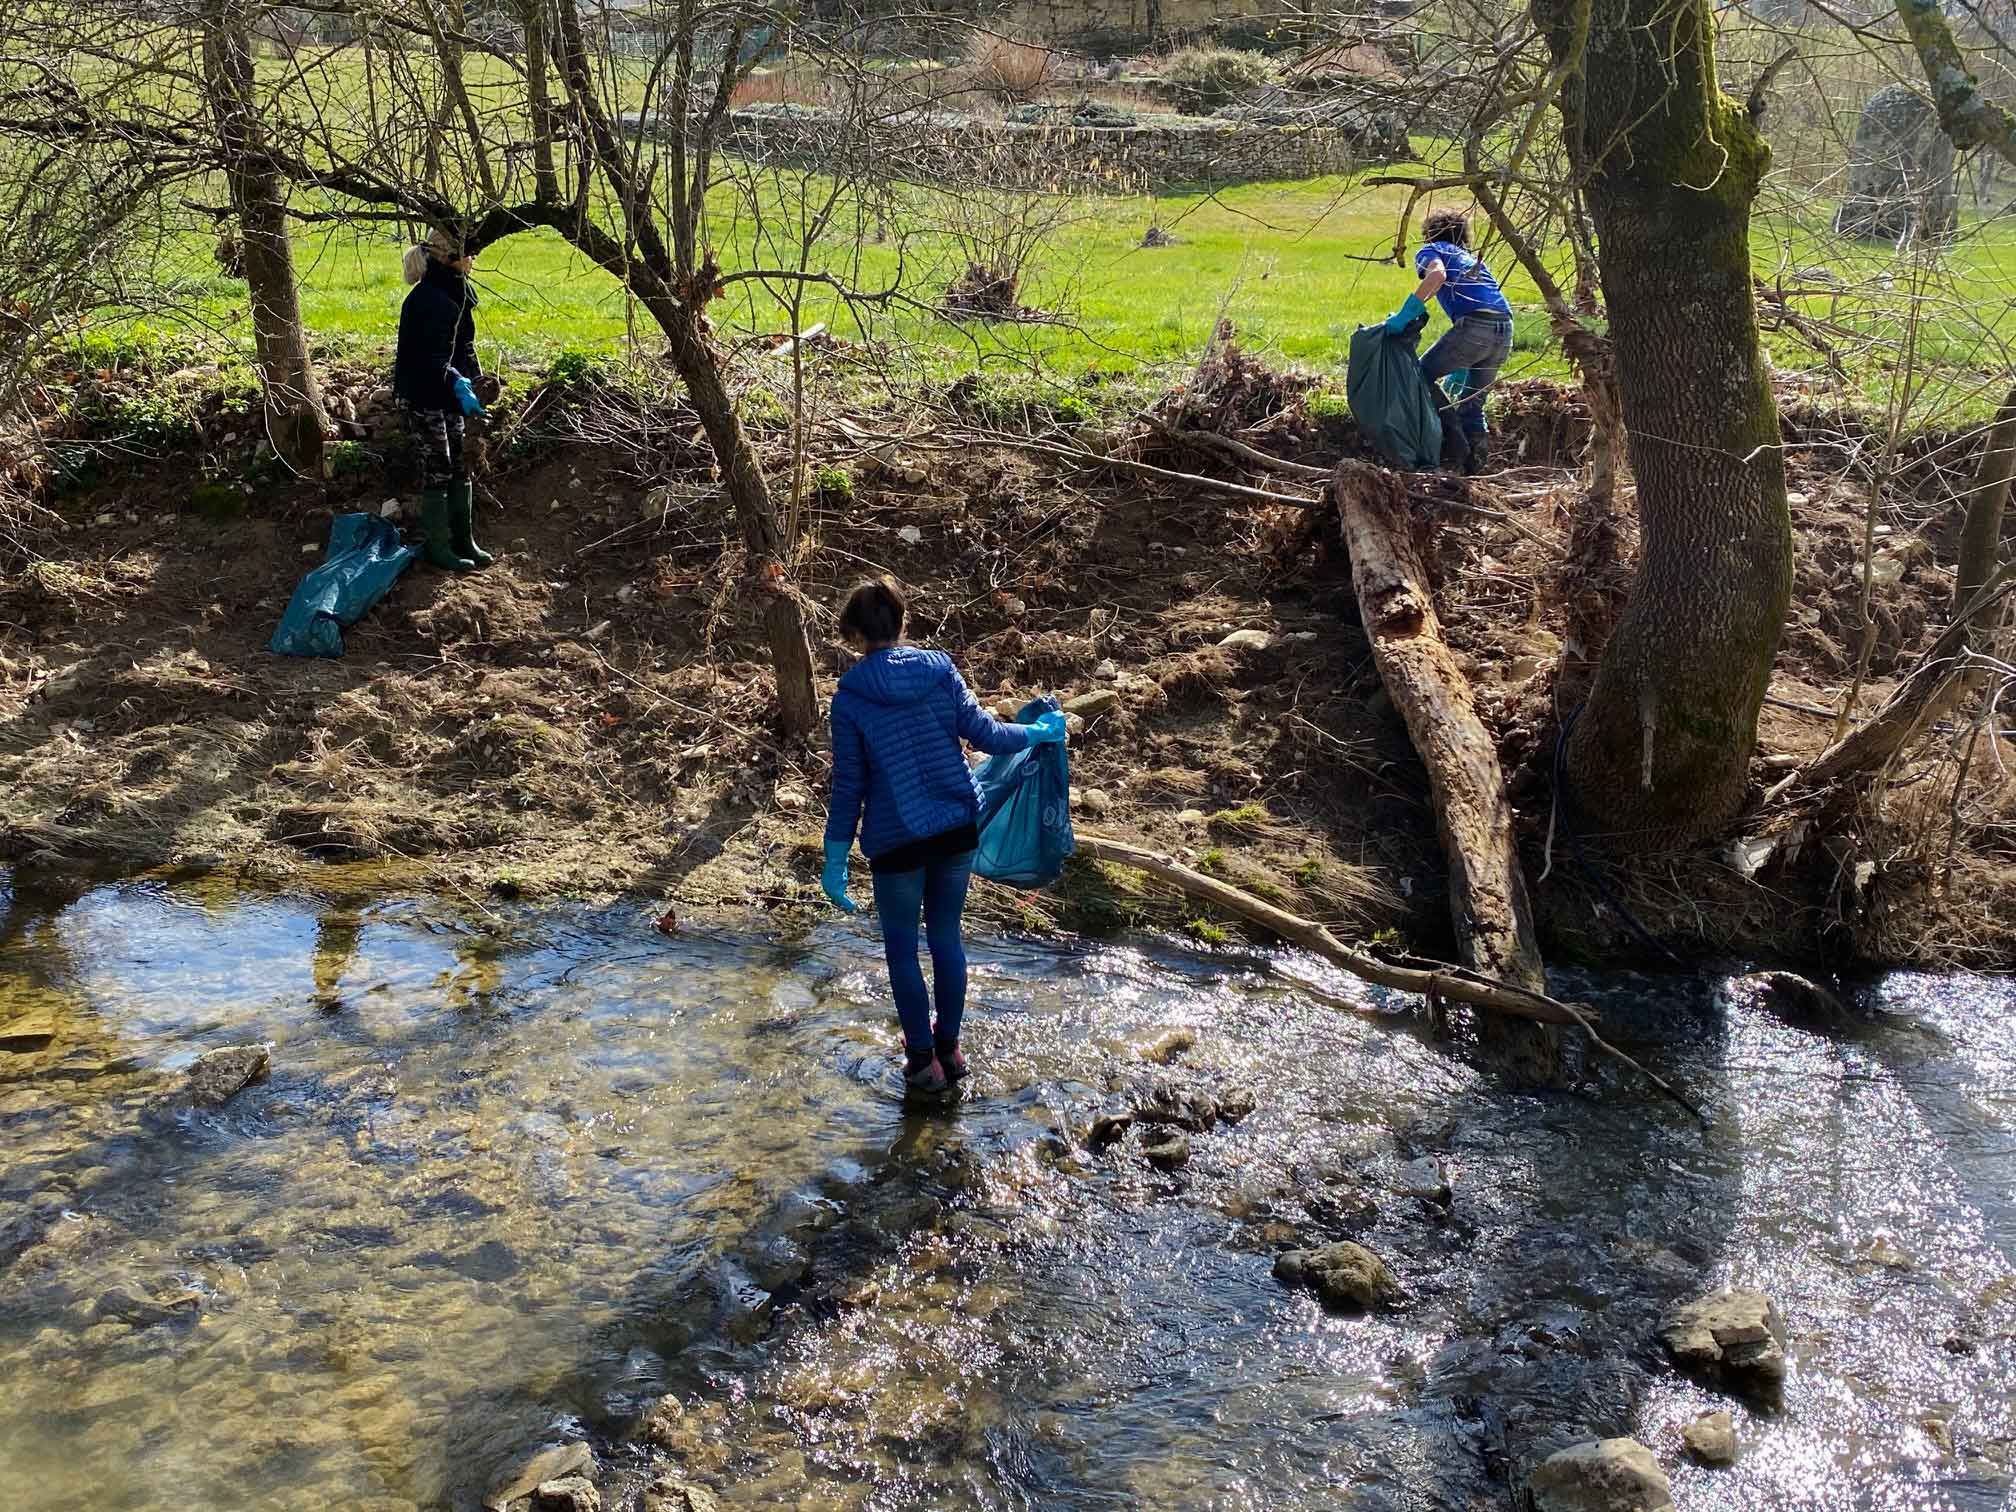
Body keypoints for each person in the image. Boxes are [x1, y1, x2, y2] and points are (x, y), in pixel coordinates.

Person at [820, 578, 1068, 1095]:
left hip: (897, 840)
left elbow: (849, 787)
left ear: (852, 633)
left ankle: (920, 1062)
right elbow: (987, 735)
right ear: (902, 621)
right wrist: (1039, 734)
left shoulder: (849, 699)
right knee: (946, 939)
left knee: (901, 950)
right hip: (957, 827)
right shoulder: (939, 669)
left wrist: (835, 855)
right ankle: (950, 1050)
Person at [394, 228, 499, 572]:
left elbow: (462, 347)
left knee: (460, 465)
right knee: (438, 467)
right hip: (423, 394)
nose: (473, 258)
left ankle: (463, 540)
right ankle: (438, 547)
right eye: (468, 253)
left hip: (447, 390)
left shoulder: (457, 292)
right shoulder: (428, 300)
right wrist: (459, 383)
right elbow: (429, 359)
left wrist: (478, 378)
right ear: (448, 258)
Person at [1383, 207, 1514, 474]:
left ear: (1429, 233)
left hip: (1475, 327)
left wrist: (1407, 312)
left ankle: (1453, 443)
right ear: (1462, 236)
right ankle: (1475, 471)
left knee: (1419, 375)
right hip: (1505, 328)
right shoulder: (1470, 259)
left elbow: (1437, 275)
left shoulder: (1432, 250)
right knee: (1474, 402)